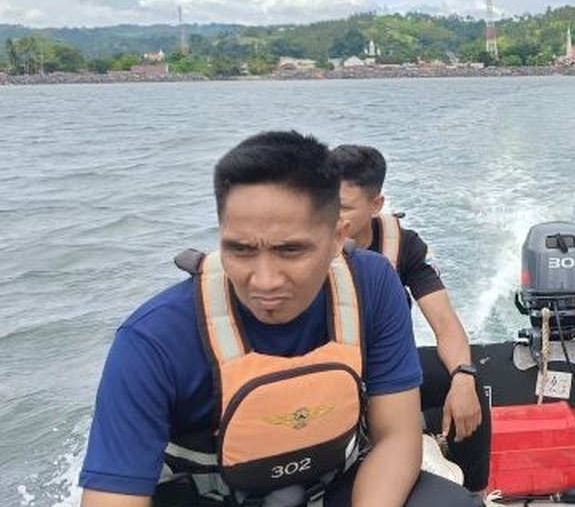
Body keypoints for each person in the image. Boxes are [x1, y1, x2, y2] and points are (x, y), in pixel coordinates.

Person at [79, 131, 478, 507]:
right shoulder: (153, 339)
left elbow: (396, 435)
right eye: (240, 249)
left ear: (338, 237)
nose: (265, 281)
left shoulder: (373, 285)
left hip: (329, 486)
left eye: (291, 251)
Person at [330, 144, 490, 493]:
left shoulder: (402, 245)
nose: (329, 217)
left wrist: (462, 378)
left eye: (342, 208)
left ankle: (475, 494)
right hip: (331, 373)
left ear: (376, 206)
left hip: (386, 371)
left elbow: (445, 324)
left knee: (467, 384)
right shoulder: (308, 244)